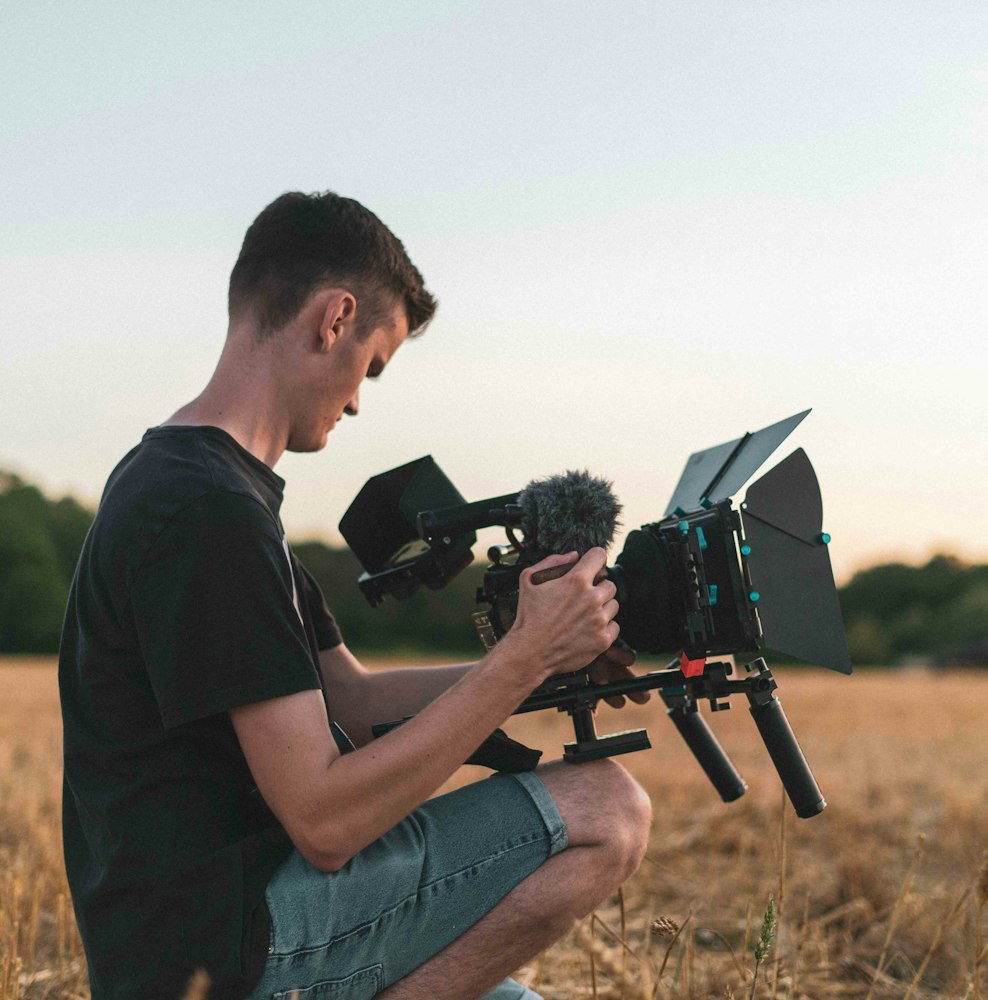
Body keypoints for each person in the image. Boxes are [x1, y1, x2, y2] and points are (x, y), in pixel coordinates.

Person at [59, 191, 652, 1000]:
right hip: (229, 948)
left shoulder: (202, 487)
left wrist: (553, 667)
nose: (361, 398)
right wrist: (518, 661)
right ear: (335, 318)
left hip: (220, 927)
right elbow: (325, 819)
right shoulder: (208, 512)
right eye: (372, 365)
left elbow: (353, 697)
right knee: (607, 809)